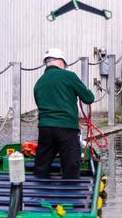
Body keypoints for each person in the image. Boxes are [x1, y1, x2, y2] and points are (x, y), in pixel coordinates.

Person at [33, 48, 95, 179]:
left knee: (41, 167)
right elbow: (89, 98)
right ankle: (71, 195)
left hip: (45, 129)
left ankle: (37, 195)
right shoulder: (69, 76)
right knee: (70, 167)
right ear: (61, 62)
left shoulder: (39, 83)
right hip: (67, 129)